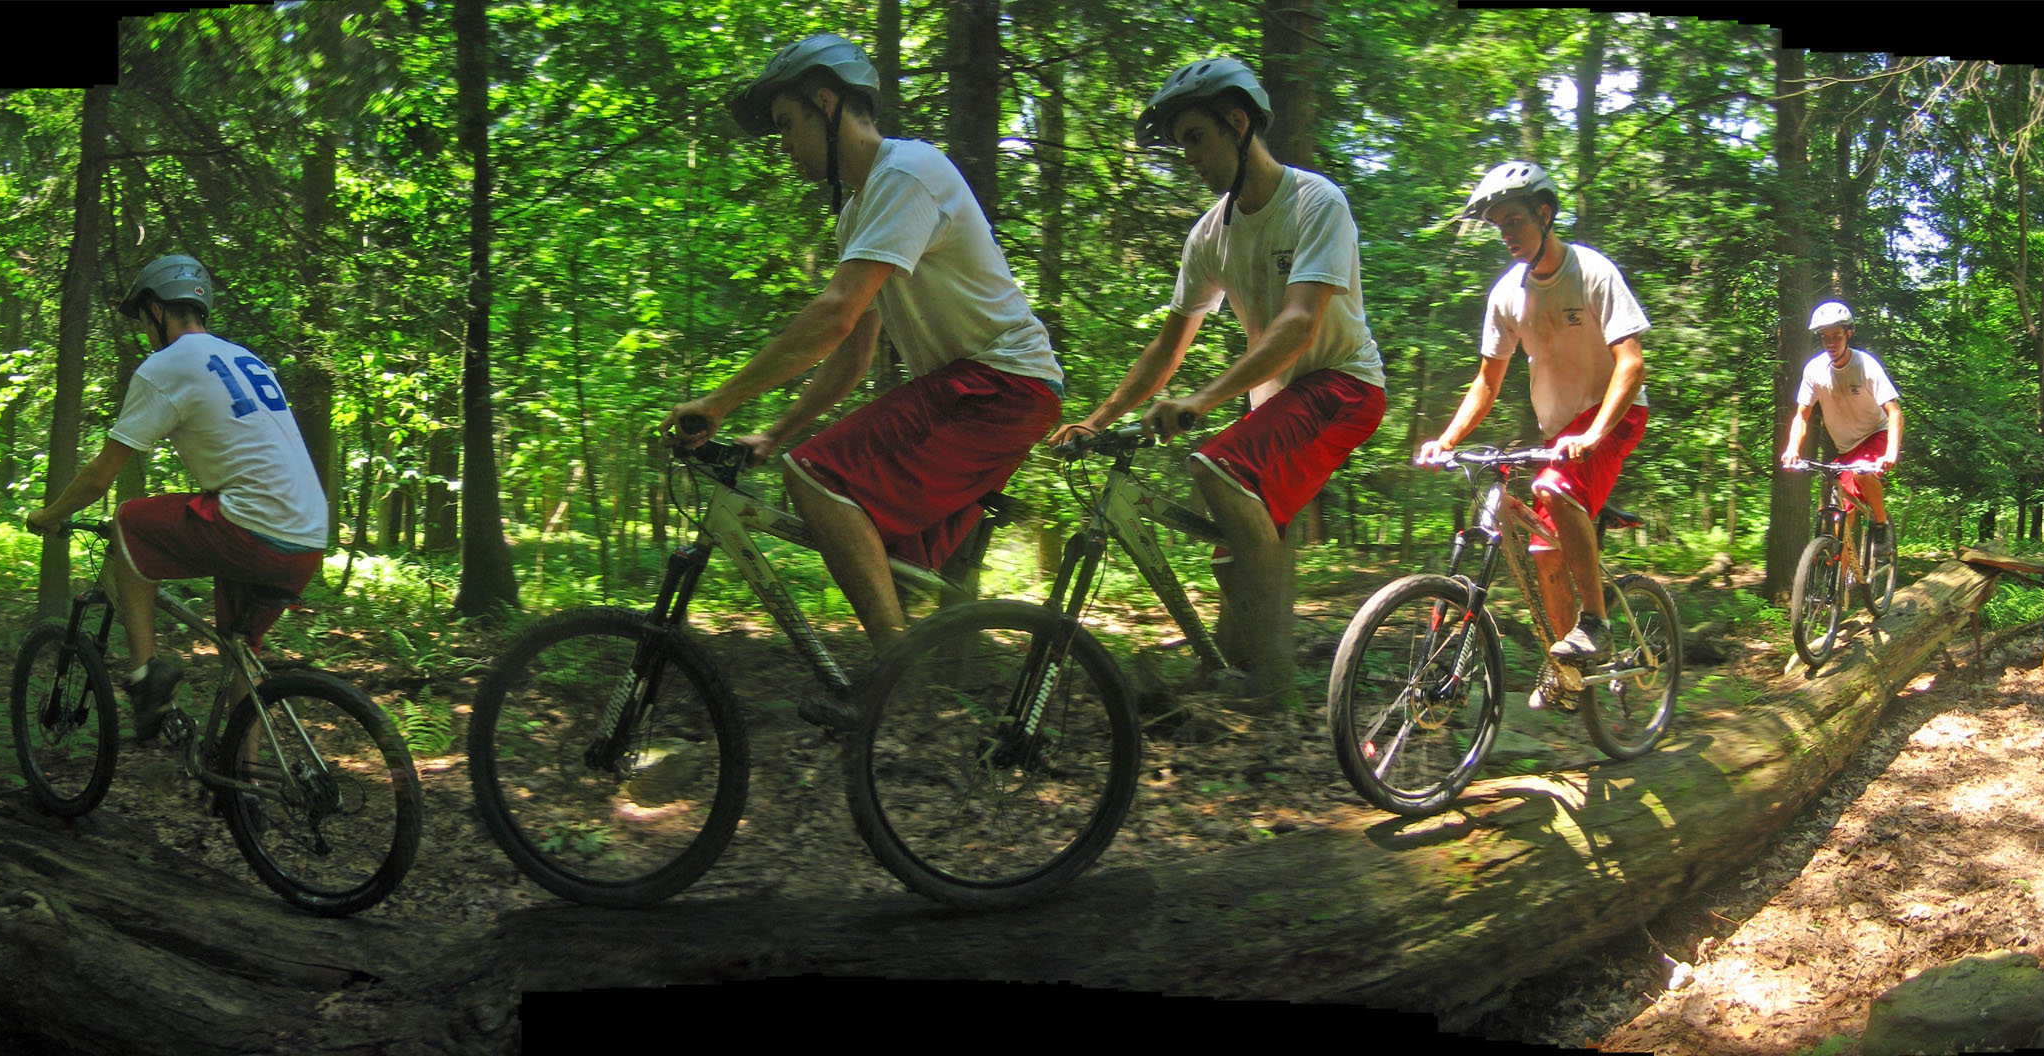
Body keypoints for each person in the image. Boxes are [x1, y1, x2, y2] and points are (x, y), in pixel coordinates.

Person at [662, 33, 1064, 656]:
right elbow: (852, 356)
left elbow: (834, 316)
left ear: (827, 103)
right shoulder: (861, 209)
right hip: (977, 388)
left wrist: (719, 402)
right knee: (880, 549)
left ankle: (888, 674)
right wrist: (776, 432)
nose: (785, 145)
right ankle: (922, 680)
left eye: (788, 124)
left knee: (819, 475)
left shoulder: (906, 174)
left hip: (1001, 384)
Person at [1047, 57, 1388, 687]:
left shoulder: (1317, 203)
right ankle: (1234, 675)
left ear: (1238, 123)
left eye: (1196, 138)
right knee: (1232, 552)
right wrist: (1096, 420)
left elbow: (1297, 326)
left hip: (1345, 384)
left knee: (1217, 465)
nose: (1189, 158)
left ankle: (1268, 684)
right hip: (1279, 399)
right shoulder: (1209, 237)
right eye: (1181, 146)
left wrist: (1201, 401)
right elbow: (1166, 347)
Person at [26, 254, 330, 740]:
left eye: (144, 320)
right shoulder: (247, 359)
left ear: (156, 309)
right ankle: (243, 790)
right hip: (309, 536)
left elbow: (101, 477)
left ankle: (147, 678)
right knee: (240, 653)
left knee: (128, 521)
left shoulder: (164, 366)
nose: (146, 332)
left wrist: (49, 514)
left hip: (250, 529)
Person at [1416, 161, 1649, 689]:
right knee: (1545, 555)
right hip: (1560, 430)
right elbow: (1486, 382)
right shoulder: (1505, 295)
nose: (1507, 235)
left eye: (1515, 221)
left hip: (1614, 414)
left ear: (1544, 215)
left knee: (1550, 486)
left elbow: (1632, 363)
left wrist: (1593, 434)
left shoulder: (1592, 271)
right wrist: (1448, 439)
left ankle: (1596, 624)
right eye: (1499, 226)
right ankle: (1570, 673)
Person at [1778, 299, 1903, 561]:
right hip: (1846, 448)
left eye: (1836, 336)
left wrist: (1890, 453)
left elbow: (1894, 412)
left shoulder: (1865, 366)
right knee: (1840, 519)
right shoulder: (1814, 370)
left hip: (1875, 435)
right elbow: (1802, 415)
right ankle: (1838, 589)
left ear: (1849, 333)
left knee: (1863, 472)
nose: (1831, 344)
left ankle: (1880, 526)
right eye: (1825, 338)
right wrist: (1792, 447)